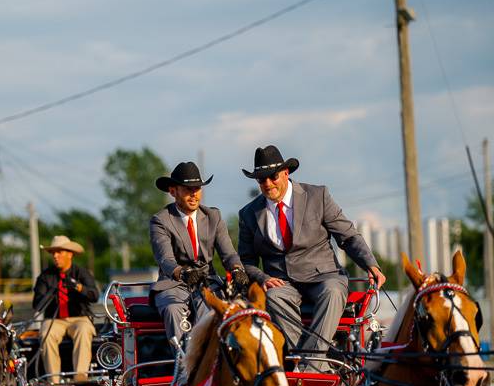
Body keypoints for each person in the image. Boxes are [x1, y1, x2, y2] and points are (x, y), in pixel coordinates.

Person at [238, 145, 386, 370]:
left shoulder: (318, 196)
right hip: (282, 282)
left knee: (334, 291)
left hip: (323, 275)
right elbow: (246, 261)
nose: (267, 184)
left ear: (286, 173)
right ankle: (317, 366)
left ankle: (309, 365)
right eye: (260, 180)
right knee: (272, 296)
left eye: (272, 177)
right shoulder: (249, 213)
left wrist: (370, 264)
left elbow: (347, 235)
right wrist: (262, 277)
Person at [150, 161, 250, 346]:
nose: (194, 194)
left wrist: (237, 270)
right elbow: (165, 259)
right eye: (188, 189)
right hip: (174, 284)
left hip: (206, 283)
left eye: (197, 188)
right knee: (173, 310)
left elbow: (228, 254)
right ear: (173, 191)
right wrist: (183, 273)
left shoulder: (214, 216)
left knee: (212, 308)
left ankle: (209, 364)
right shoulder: (161, 221)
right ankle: (184, 367)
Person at [32, 235, 99, 382]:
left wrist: (79, 287)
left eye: (59, 252)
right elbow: (36, 305)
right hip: (54, 320)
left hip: (79, 318)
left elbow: (94, 295)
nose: (55, 256)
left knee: (84, 330)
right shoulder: (45, 277)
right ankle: (53, 381)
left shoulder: (82, 273)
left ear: (70, 254)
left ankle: (80, 378)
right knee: (46, 334)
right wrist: (50, 294)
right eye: (53, 253)